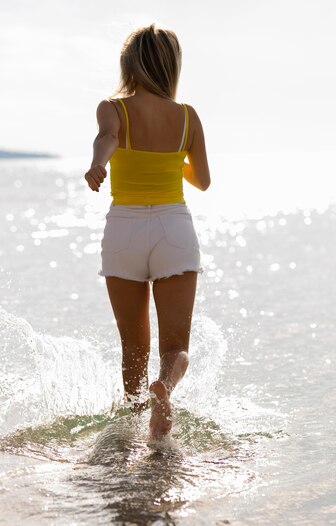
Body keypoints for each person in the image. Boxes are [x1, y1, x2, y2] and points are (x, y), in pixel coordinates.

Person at [84, 24, 210, 440]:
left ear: (129, 64)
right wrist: (173, 163)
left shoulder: (113, 108)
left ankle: (128, 436)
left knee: (133, 350)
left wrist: (100, 164)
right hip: (173, 228)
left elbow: (107, 138)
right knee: (175, 350)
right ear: (171, 66)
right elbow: (204, 181)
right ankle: (165, 391)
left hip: (124, 230)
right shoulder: (188, 117)